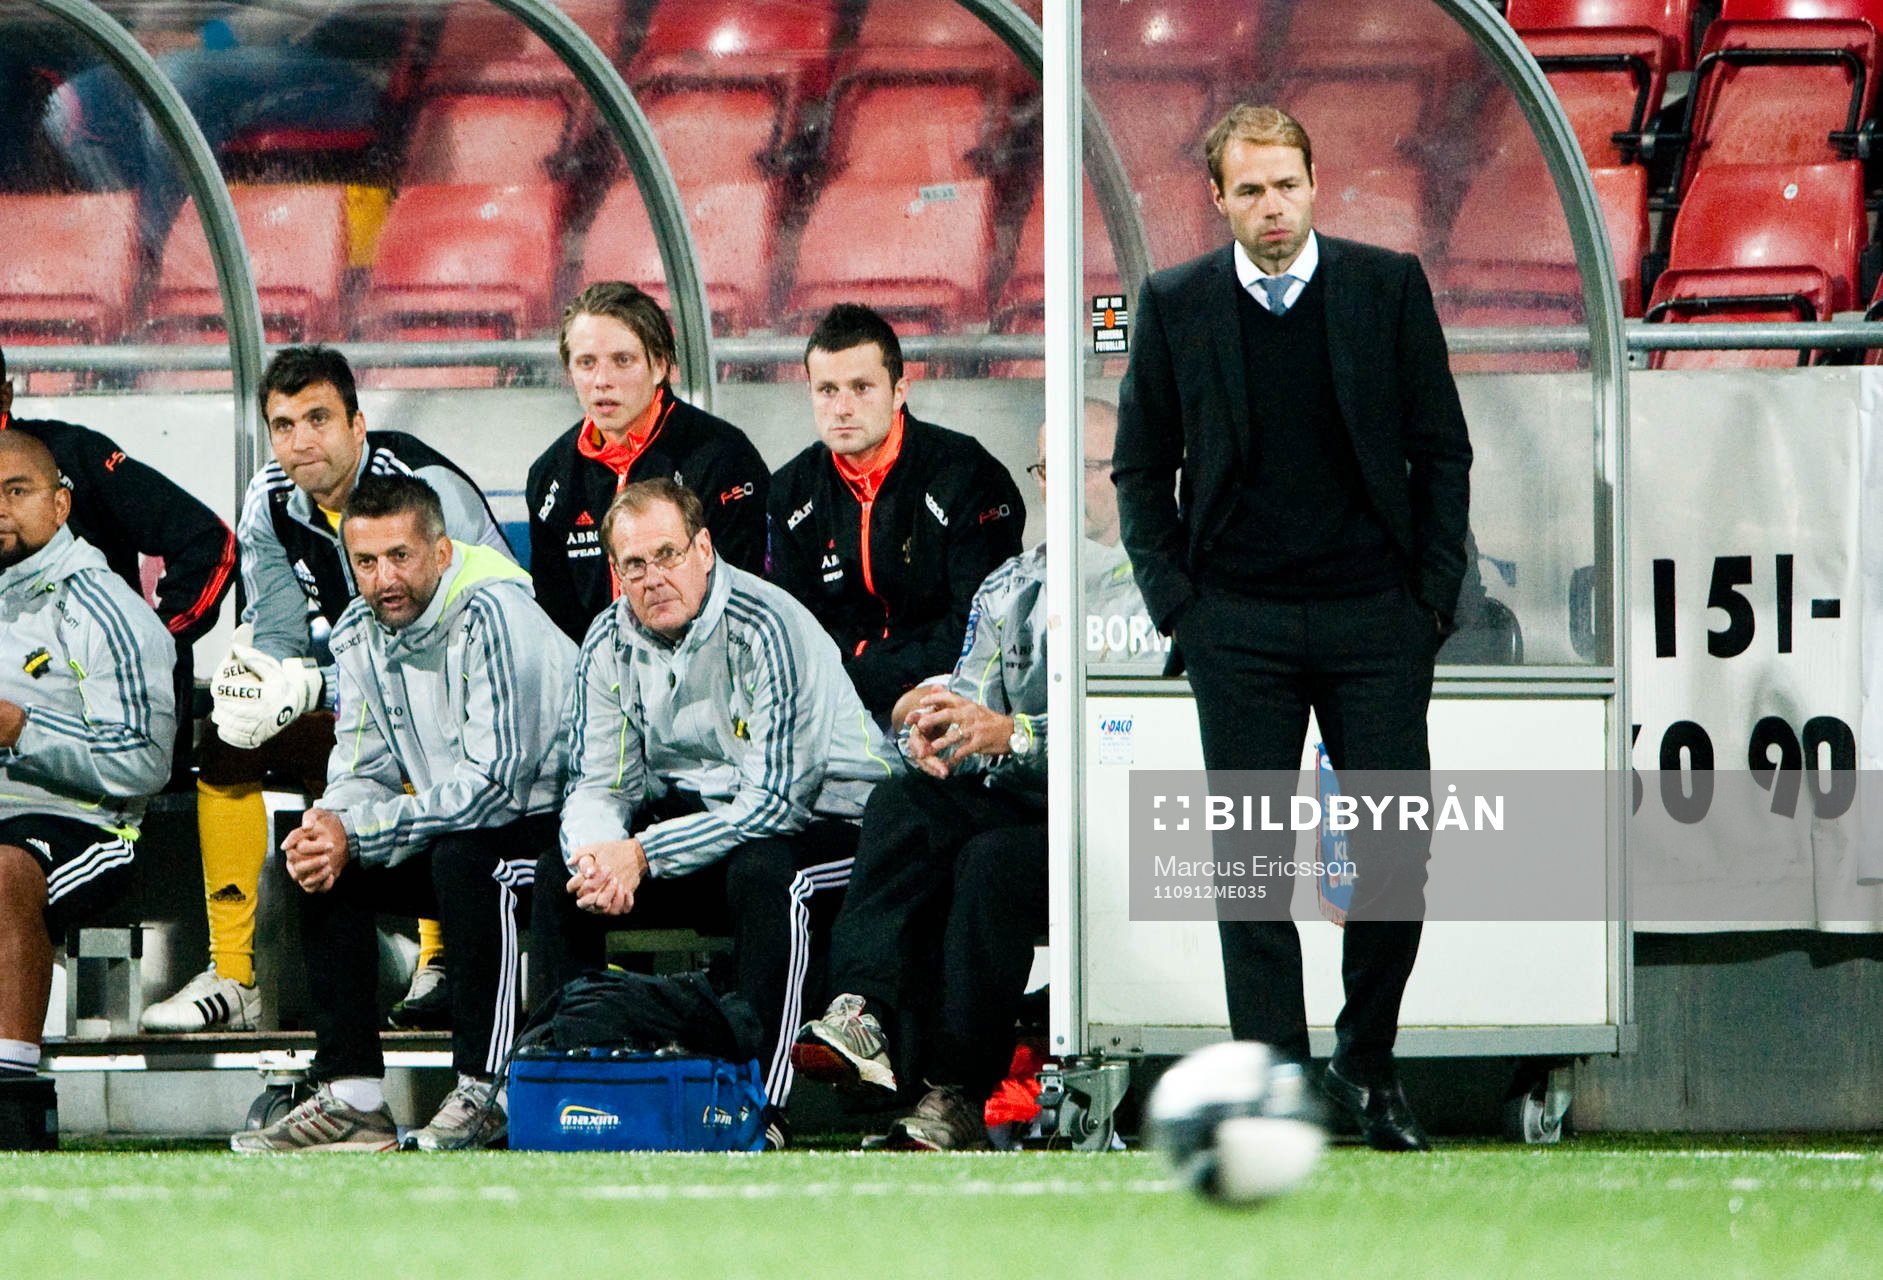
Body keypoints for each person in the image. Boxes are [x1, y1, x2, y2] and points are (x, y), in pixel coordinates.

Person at [1110, 104, 1472, 1151]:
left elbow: (1440, 451)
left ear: (1314, 184)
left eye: (1286, 184)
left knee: (1394, 860)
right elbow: (1139, 469)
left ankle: (1365, 1064)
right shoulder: (1175, 302)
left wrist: (1428, 600)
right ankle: (1275, 1085)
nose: (1271, 206)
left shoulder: (1385, 285)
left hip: (1376, 617)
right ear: (1216, 198)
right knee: (1250, 872)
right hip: (1237, 623)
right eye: (1249, 189)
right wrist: (1181, 609)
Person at [143, 345, 513, 1036]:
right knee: (229, 746)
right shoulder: (270, 501)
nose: (300, 441)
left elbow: (488, 625)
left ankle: (440, 957)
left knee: (419, 732)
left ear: (356, 424)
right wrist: (258, 686)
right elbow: (279, 632)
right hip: (359, 695)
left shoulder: (424, 487)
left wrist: (319, 684)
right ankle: (234, 976)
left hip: (457, 695)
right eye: (283, 425)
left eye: (318, 419)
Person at [535, 478, 896, 1146]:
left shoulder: (767, 625)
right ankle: (568, 1086)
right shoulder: (606, 639)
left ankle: (759, 1105)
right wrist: (597, 860)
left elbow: (776, 803)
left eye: (667, 555)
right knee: (560, 876)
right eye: (634, 565)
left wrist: (643, 854)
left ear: (703, 549)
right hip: (709, 825)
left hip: (839, 823)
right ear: (615, 572)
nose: (653, 578)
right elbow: (599, 784)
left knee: (768, 874)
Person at [231, 473, 574, 1153]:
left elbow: (497, 787)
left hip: (560, 829)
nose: (384, 578)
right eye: (365, 561)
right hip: (460, 825)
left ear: (440, 553)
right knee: (319, 858)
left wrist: (357, 831)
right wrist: (330, 825)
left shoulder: (494, 614)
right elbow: (362, 769)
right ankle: (352, 1099)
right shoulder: (360, 632)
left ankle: (489, 1087)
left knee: (466, 859)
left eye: (400, 556)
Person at [791, 434, 1056, 1151]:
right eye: (1047, 467)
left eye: (1081, 466)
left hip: (1110, 812)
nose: (1057, 483)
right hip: (1017, 794)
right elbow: (974, 701)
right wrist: (943, 736)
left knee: (991, 863)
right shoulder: (1009, 586)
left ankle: (955, 1089)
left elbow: (1129, 730)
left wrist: (1016, 735)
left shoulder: (1148, 585)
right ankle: (862, 1014)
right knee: (902, 802)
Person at [0, 432, 175, 1126]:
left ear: (60, 504)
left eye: (16, 491)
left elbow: (144, 760)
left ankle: (10, 1093)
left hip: (88, 823)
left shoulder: (103, 607)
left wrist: (21, 730)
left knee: (5, 870)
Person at [767, 303, 1025, 720]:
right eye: (827, 390)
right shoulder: (789, 490)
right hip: (829, 696)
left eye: (861, 388)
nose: (842, 407)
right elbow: (792, 625)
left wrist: (875, 682)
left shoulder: (966, 473)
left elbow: (980, 622)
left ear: (899, 392)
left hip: (948, 687)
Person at [0, 344, 236, 780]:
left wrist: (157, 639)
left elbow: (208, 541)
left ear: (5, 395)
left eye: (16, 491)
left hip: (115, 736)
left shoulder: (74, 454)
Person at [527, 281, 770, 643]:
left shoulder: (722, 456)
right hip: (596, 670)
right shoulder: (550, 474)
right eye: (586, 363)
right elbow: (554, 624)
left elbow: (739, 602)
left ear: (659, 365)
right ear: (568, 372)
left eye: (622, 361)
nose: (602, 381)